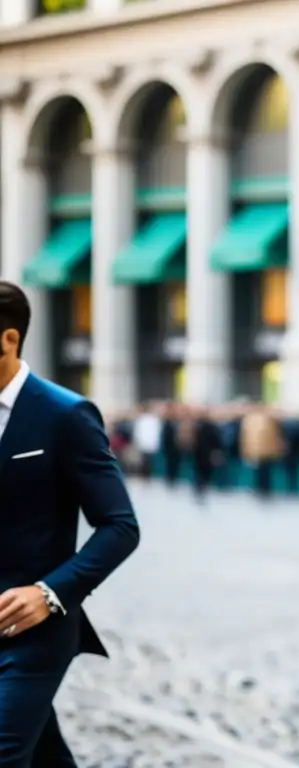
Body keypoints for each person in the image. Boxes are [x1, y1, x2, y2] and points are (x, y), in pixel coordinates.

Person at [0, 280, 141, 765]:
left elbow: (120, 526)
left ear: (9, 340)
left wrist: (50, 592)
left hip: (32, 634)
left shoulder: (65, 415)